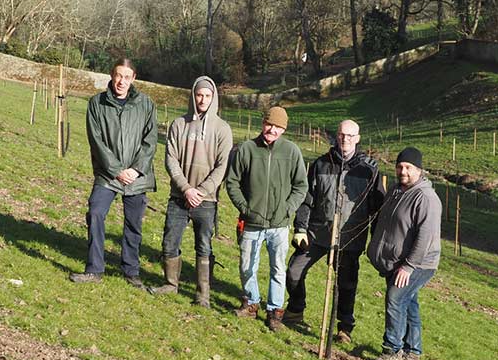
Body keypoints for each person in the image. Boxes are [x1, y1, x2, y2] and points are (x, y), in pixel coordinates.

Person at [284, 119, 385, 343]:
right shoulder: (321, 164)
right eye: (341, 135)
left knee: (346, 284)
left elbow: (377, 208)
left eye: (350, 136)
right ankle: (296, 308)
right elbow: (306, 200)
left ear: (357, 139)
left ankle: (344, 328)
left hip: (350, 238)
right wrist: (301, 227)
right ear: (336, 136)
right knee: (293, 271)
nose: (345, 139)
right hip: (318, 232)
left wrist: (375, 240)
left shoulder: (369, 170)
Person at [70, 58, 157, 287]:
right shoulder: (97, 104)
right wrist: (117, 170)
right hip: (108, 175)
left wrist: (136, 170)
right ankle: (94, 269)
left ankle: (131, 271)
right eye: (119, 75)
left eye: (127, 77)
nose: (122, 81)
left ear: (134, 78)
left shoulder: (146, 104)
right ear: (111, 75)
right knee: (96, 213)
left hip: (137, 177)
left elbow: (150, 142)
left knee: (133, 223)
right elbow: (96, 141)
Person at [225, 105, 307, 330]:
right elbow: (232, 182)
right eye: (269, 124)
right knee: (246, 266)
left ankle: (275, 312)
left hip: (279, 225)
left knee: (278, 269)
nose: (272, 129)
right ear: (263, 124)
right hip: (251, 222)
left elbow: (301, 186)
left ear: (283, 129)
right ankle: (251, 303)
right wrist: (244, 207)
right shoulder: (247, 149)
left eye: (277, 126)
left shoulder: (292, 152)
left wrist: (288, 208)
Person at [153, 75, 232, 307]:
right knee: (170, 241)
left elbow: (222, 167)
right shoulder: (179, 124)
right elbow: (171, 159)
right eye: (199, 94)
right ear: (193, 95)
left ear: (213, 97)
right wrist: (186, 189)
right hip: (179, 197)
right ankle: (170, 284)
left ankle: (202, 295)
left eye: (207, 96)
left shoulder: (223, 129)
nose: (203, 99)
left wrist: (201, 191)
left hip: (206, 201)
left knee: (204, 246)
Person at [367, 147, 441, 360]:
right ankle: (413, 353)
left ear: (419, 170)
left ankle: (392, 352)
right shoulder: (396, 191)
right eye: (400, 167)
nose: (403, 171)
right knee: (409, 303)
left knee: (396, 298)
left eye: (409, 167)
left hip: (419, 263)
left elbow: (425, 237)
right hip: (396, 261)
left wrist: (408, 267)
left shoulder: (426, 198)